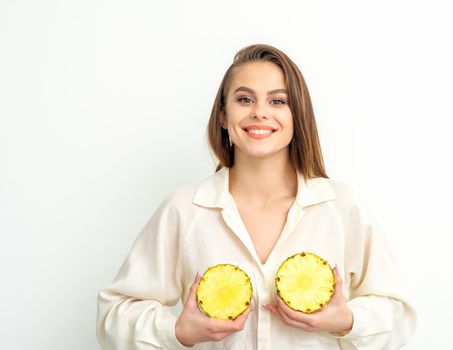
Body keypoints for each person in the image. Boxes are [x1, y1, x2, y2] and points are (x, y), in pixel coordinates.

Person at [96, 43, 417, 349]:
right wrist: (178, 331)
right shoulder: (183, 210)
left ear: (297, 115)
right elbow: (113, 316)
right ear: (223, 115)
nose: (260, 112)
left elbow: (400, 318)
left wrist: (347, 320)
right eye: (245, 99)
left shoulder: (343, 208)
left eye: (278, 101)